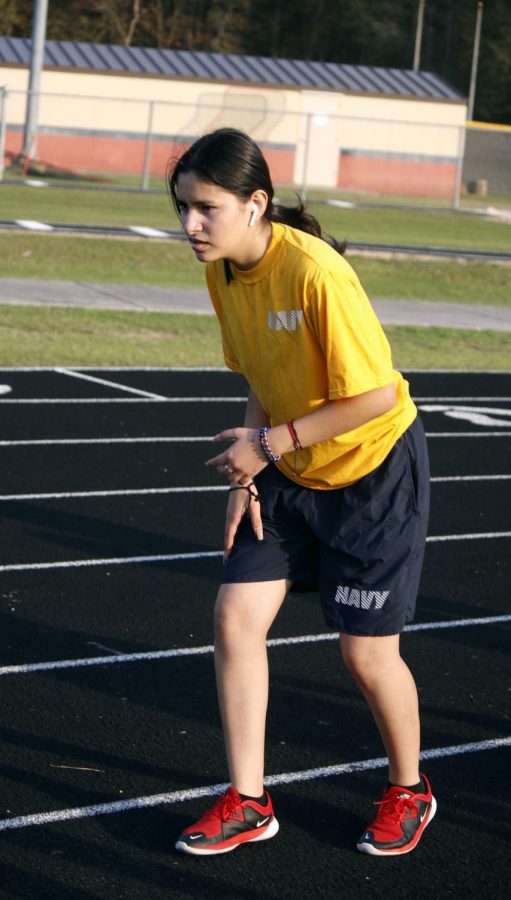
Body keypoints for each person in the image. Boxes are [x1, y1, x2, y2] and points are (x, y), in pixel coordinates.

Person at [168, 127, 436, 857]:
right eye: (183, 207)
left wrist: (267, 445)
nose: (190, 225)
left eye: (206, 208)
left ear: (255, 203)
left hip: (370, 472)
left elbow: (377, 397)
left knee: (364, 657)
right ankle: (249, 801)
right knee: (233, 618)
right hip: (287, 466)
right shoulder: (222, 272)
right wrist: (253, 465)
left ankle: (409, 789)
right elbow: (258, 373)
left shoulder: (315, 273)